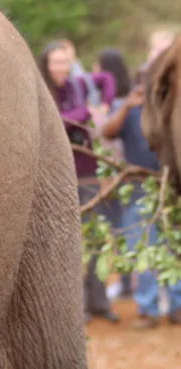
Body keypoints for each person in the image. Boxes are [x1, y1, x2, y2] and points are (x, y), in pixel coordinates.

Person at [39, 41, 119, 324]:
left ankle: (99, 302)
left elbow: (108, 78)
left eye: (64, 61)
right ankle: (76, 307)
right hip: (57, 179)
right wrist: (85, 112)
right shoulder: (41, 91)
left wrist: (105, 102)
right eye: (55, 62)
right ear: (46, 64)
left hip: (88, 175)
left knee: (96, 241)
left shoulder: (79, 84)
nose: (60, 67)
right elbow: (55, 121)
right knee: (69, 245)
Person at [101, 76, 181, 329]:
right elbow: (107, 132)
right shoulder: (128, 108)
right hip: (137, 187)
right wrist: (126, 106)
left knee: (172, 247)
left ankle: (177, 306)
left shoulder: (169, 108)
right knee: (143, 247)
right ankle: (148, 308)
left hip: (169, 186)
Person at [92, 48, 132, 300]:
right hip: (126, 176)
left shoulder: (115, 106)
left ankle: (124, 282)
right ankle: (126, 282)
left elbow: (111, 145)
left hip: (114, 176)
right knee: (125, 230)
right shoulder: (130, 99)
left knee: (118, 231)